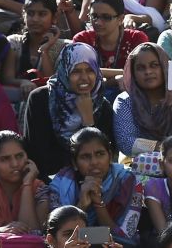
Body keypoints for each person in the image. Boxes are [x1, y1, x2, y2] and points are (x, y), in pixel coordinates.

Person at [38, 128, 143, 248]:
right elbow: (55, 235)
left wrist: (98, 203)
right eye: (85, 157)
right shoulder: (61, 182)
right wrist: (81, 205)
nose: (94, 162)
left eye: (100, 154)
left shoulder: (128, 180)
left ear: (110, 156)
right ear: (75, 163)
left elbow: (125, 235)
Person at [23, 42, 114, 180]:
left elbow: (102, 160)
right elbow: (38, 157)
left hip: (92, 181)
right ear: (64, 71)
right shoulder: (40, 100)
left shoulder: (102, 106)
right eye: (76, 71)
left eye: (90, 70)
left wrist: (88, 122)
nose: (84, 78)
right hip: (48, 182)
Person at [113, 43, 172, 159]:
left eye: (154, 65)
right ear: (133, 74)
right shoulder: (125, 101)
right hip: (139, 166)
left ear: (165, 67)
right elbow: (126, 142)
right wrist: (168, 149)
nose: (148, 72)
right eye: (140, 68)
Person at [69, 0, 149, 94]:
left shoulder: (136, 38)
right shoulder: (82, 40)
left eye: (106, 17)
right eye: (94, 16)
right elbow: (77, 73)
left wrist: (97, 72)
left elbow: (141, 73)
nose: (98, 22)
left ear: (120, 19)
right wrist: (116, 79)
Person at [2, 0, 65, 99]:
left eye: (42, 14)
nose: (35, 19)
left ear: (54, 18)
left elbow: (51, 82)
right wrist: (23, 82)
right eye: (30, 13)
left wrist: (44, 51)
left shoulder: (62, 47)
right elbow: (7, 78)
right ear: (24, 15)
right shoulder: (13, 43)